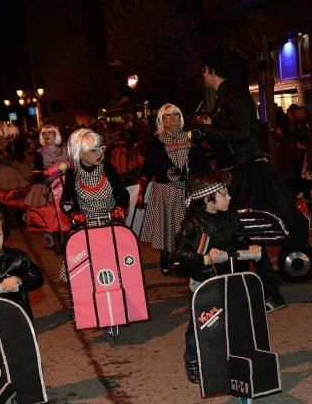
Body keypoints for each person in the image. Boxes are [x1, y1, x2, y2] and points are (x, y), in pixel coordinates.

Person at [198, 47, 288, 312]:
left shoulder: (233, 95)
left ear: (213, 70)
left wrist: (206, 131)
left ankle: (268, 294)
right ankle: (244, 292)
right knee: (239, 234)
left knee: (244, 233)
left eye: (204, 70)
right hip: (238, 171)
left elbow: (240, 132)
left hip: (245, 173)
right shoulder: (229, 95)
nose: (202, 74)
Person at [173, 170, 261, 384]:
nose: (229, 197)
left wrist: (251, 247)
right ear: (207, 199)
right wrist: (204, 258)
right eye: (224, 194)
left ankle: (235, 356)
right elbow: (179, 253)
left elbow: (241, 239)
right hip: (204, 281)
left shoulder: (231, 216)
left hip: (230, 276)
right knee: (202, 322)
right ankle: (193, 358)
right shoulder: (192, 223)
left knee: (233, 319)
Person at [139, 103, 206, 275]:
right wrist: (141, 193)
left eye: (175, 115)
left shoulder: (190, 138)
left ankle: (185, 259)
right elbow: (148, 169)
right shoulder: (156, 141)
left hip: (187, 189)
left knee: (186, 227)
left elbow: (201, 164)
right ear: (161, 120)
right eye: (167, 116)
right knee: (166, 227)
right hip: (164, 190)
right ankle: (165, 259)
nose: (172, 119)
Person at [60, 127, 129, 222]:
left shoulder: (107, 168)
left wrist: (119, 208)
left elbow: (122, 193)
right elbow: (65, 200)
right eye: (93, 150)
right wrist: (73, 212)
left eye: (100, 148)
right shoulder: (73, 173)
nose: (100, 153)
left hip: (111, 222)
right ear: (79, 153)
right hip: (85, 225)